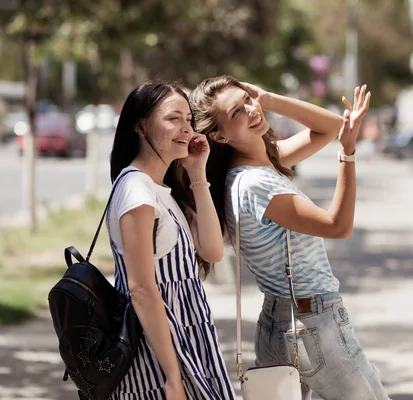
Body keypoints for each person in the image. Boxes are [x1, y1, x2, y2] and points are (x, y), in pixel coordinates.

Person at [190, 75, 390, 400]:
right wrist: (349, 153)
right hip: (312, 323)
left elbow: (330, 127)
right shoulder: (256, 184)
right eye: (237, 113)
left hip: (280, 322)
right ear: (218, 135)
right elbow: (338, 226)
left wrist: (268, 98)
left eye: (248, 100)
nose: (251, 111)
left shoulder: (258, 167)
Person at [107, 81, 235, 400]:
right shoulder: (137, 192)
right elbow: (141, 288)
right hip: (157, 357)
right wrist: (172, 377)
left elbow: (212, 251)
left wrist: (197, 174)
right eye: (172, 118)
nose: (186, 129)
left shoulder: (159, 190)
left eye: (188, 120)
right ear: (140, 126)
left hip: (185, 344)